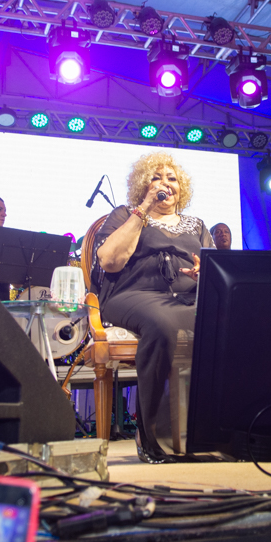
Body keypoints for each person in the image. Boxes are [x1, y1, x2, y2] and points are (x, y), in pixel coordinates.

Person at [93, 151, 214, 463]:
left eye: (171, 178)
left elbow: (217, 268)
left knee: (231, 321)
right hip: (133, 294)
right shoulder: (125, 215)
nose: (165, 184)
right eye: (156, 178)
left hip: (187, 297)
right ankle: (155, 438)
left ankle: (221, 431)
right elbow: (109, 261)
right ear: (143, 186)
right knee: (163, 323)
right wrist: (143, 209)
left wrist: (205, 272)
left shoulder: (197, 225)